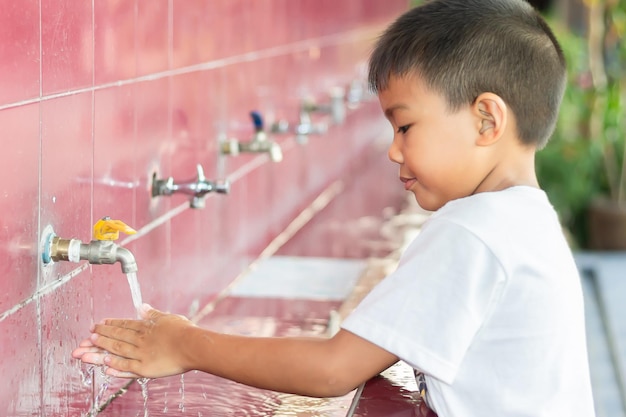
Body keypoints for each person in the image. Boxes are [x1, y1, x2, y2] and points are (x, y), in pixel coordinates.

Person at [72, 0, 596, 415]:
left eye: (405, 126)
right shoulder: (526, 219)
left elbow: (333, 369)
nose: (393, 149)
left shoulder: (474, 231)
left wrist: (186, 345)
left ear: (486, 120)